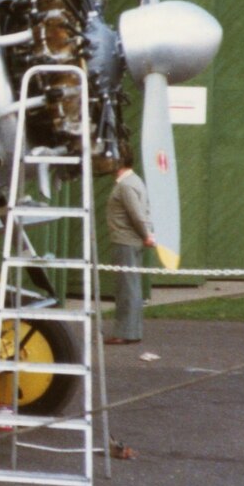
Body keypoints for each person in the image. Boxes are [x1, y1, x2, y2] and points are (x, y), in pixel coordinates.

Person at [104, 146, 155, 346]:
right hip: (131, 241)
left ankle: (125, 332)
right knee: (131, 287)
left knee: (126, 288)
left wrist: (146, 235)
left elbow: (136, 215)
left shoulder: (125, 186)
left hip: (125, 241)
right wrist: (147, 234)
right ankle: (131, 330)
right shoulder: (135, 181)